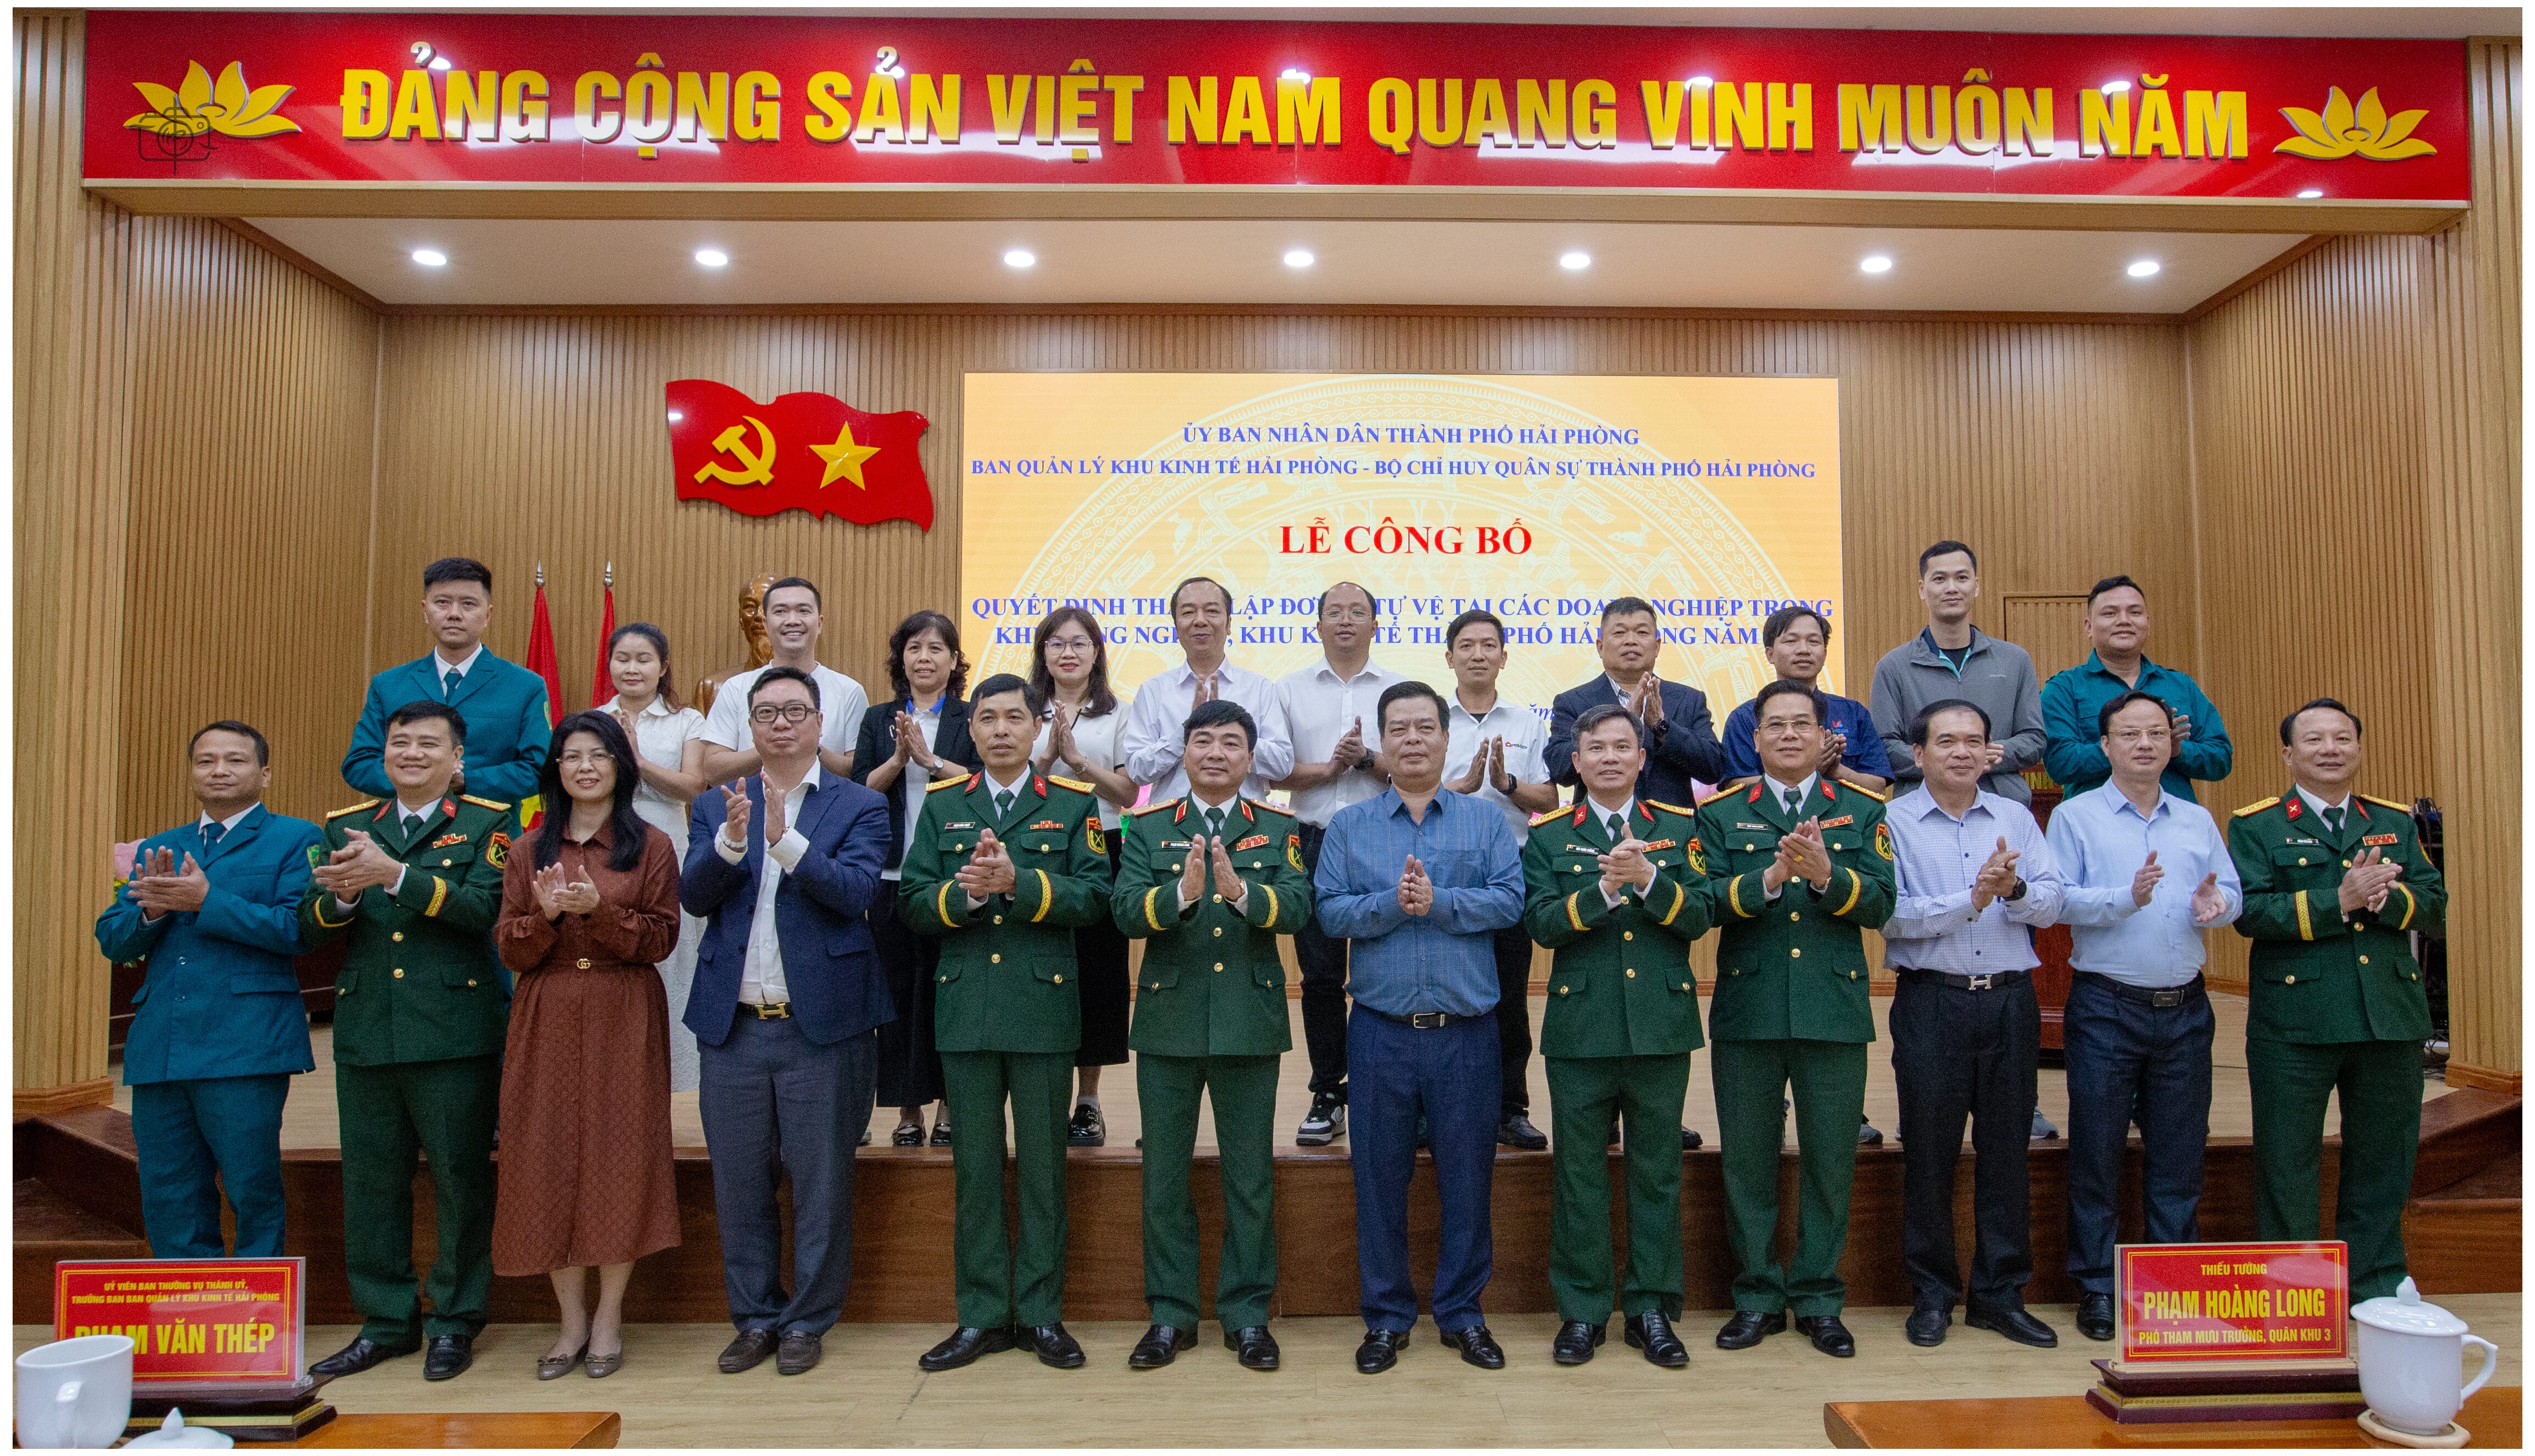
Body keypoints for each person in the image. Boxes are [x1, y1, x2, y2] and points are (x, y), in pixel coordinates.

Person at [680, 667, 894, 1377]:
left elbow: (857, 892)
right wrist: (733, 842)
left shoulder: (860, 803)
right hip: (735, 1026)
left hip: (821, 1027)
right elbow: (694, 895)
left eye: (795, 711)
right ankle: (754, 1317)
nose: (780, 723)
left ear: (820, 723)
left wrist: (787, 843)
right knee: (739, 1184)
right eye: (766, 712)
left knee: (821, 1183)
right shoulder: (716, 804)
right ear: (749, 724)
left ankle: (807, 1318)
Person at [899, 674, 1113, 1372]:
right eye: (987, 718)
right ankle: (983, 1315)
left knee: (1045, 1171)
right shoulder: (943, 803)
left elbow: (1095, 896)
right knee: (976, 1171)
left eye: (1014, 718)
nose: (999, 729)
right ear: (971, 730)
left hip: (1042, 1008)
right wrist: (963, 897)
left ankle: (1042, 1313)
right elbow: (912, 901)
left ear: (1037, 727)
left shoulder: (1071, 803)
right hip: (966, 1007)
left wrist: (1020, 883)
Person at [1315, 681, 1526, 1375]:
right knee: (1378, 1180)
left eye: (1425, 727)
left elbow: (1509, 901)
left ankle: (1463, 1313)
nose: (1412, 738)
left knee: (1468, 1179)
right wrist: (1391, 903)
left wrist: (1438, 902)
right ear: (1382, 742)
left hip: (1465, 1033)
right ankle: (1386, 1316)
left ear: (1446, 737)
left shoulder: (1486, 822)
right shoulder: (1349, 826)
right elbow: (1331, 913)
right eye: (1399, 728)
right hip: (1380, 1032)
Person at [300, 701, 514, 1383]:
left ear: (458, 759)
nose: (412, 753)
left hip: (454, 1032)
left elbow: (483, 909)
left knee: (460, 1180)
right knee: (370, 1183)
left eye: (428, 743)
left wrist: (392, 875)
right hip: (368, 1030)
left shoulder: (489, 822)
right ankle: (386, 1321)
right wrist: (342, 899)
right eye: (400, 742)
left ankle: (455, 1319)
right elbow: (311, 924)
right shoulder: (346, 825)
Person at [1112, 699, 1313, 1373]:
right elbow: (1125, 910)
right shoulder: (1149, 825)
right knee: (1164, 1178)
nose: (1216, 752)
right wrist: (1182, 895)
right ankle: (1170, 1315)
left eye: (1231, 742)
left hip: (1249, 1021)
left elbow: (1297, 906)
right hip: (1167, 1022)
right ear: (1184, 752)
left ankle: (1247, 1313)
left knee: (1249, 1178)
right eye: (1203, 740)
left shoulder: (1277, 824)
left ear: (1251, 757)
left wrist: (1240, 893)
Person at [1696, 679, 1894, 1360]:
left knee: (1830, 1161)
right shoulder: (1723, 812)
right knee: (1747, 1161)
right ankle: (1756, 1294)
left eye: (1800, 724)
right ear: (1755, 739)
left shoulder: (1862, 809)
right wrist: (1772, 879)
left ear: (1824, 736)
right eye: (1774, 725)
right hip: (1748, 1007)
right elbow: (1705, 902)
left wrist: (1826, 876)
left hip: (1832, 1007)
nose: (1788, 734)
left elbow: (1882, 903)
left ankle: (1818, 1297)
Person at [2227, 698, 2444, 1303]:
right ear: (2288, 753)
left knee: (2383, 1158)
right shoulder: (2257, 824)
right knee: (2287, 1161)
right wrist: (2339, 900)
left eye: (2343, 738)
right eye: (2315, 739)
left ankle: (2375, 1284)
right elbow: (2250, 912)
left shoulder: (2394, 821)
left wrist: (2386, 899)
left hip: (2388, 1017)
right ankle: (2296, 1292)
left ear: (2359, 748)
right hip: (2295, 1022)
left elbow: (2434, 905)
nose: (2330, 749)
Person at [492, 712, 683, 1380]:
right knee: (544, 1158)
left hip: (622, 1008)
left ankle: (608, 1316)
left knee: (619, 1158)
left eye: (599, 754)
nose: (585, 767)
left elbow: (661, 938)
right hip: (545, 1009)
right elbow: (509, 946)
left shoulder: (651, 844)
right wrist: (547, 914)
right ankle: (570, 1321)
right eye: (572, 755)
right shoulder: (527, 849)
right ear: (556, 769)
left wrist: (597, 909)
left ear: (620, 766)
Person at [2047, 689, 2242, 1342]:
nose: (2145, 744)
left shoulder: (2196, 818)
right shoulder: (2075, 816)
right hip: (2107, 1006)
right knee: (2097, 1152)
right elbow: (2057, 900)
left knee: (2180, 1154)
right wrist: (2124, 897)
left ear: (2172, 743)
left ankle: (2171, 1283)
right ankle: (2098, 1286)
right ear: (2105, 745)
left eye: (2157, 732)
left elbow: (2230, 888)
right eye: (2130, 733)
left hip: (2185, 1007)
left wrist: (2221, 904)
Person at [1521, 704, 1711, 1369]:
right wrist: (1603, 890)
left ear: (1642, 758)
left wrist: (1650, 880)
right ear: (1575, 762)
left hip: (1660, 1024)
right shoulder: (1550, 835)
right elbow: (1542, 923)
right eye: (1595, 748)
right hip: (1581, 1027)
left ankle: (1652, 1308)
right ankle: (1582, 1310)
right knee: (1579, 1174)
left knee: (1656, 1172)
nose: (1609, 757)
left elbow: (1700, 915)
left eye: (1621, 746)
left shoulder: (1680, 826)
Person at [94, 721, 323, 1260]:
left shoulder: (298, 838)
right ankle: (187, 1304)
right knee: (171, 1193)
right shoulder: (161, 845)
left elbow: (300, 931)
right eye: (206, 760)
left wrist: (206, 900)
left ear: (264, 773)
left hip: (247, 1042)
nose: (219, 770)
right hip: (163, 1043)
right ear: (192, 771)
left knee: (252, 1186)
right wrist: (152, 910)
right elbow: (113, 939)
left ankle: (257, 1307)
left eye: (235, 760)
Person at [1880, 700, 2067, 1351]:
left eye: (1975, 741)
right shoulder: (1894, 821)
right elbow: (1892, 915)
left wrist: (2014, 892)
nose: (1962, 751)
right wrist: (1973, 898)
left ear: (1991, 753)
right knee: (1929, 1152)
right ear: (1918, 754)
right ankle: (1932, 1293)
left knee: (2007, 1151)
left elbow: (2052, 901)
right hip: (1932, 1001)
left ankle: (1999, 1293)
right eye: (1947, 741)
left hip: (2010, 1001)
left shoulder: (2015, 816)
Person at [1272, 582, 1405, 1147]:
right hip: (1312, 839)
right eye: (1334, 612)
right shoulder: (1289, 689)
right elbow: (1270, 769)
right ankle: (1327, 1092)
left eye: (1358, 612)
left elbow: (1421, 766)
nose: (1346, 620)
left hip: (1386, 838)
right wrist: (1329, 769)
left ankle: (1386, 1091)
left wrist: (1369, 759)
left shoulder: (1400, 689)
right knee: (1321, 975)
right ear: (1318, 625)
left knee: (1387, 969)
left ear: (1376, 624)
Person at [853, 610, 982, 1148]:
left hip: (953, 879)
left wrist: (930, 761)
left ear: (953, 660)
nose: (924, 658)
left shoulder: (971, 716)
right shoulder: (878, 717)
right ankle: (908, 1110)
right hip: (890, 876)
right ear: (900, 658)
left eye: (936, 648)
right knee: (897, 994)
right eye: (914, 648)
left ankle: (951, 1104)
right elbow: (861, 788)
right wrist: (898, 760)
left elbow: (985, 783)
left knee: (950, 993)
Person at [1438, 609, 1563, 1152]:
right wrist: (1460, 788)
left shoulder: (1527, 723)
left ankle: (1512, 1109)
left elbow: (1550, 799)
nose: (1478, 654)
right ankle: (1440, 1109)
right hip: (1441, 869)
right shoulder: (1431, 718)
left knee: (1510, 995)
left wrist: (1507, 783)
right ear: (1450, 657)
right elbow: (1403, 788)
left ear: (1504, 656)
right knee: (1443, 993)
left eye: (1489, 645)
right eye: (1467, 645)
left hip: (1510, 868)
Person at [1028, 607, 1141, 1147]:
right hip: (1034, 847)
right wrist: (1046, 758)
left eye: (1079, 643)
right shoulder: (1022, 708)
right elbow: (1010, 785)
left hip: (1102, 843)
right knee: (1038, 966)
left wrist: (1075, 762)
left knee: (1097, 971)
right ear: (1042, 653)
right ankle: (1040, 1094)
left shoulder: (1119, 713)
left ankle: (1088, 1101)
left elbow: (1127, 793)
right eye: (1056, 643)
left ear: (1096, 651)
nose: (1068, 652)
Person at [342, 557, 551, 806]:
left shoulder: (525, 686)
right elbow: (359, 763)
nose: (454, 614)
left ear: (488, 614)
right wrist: (418, 782)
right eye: (442, 603)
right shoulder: (388, 685)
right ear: (425, 611)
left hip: (490, 826)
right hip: (407, 826)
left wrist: (466, 781)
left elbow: (539, 769)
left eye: (468, 604)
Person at [602, 623, 711, 1094]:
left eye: (643, 659)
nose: (632, 668)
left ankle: (675, 1081)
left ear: (663, 666)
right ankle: (615, 1075)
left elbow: (694, 787)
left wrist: (637, 760)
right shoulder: (595, 719)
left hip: (667, 850)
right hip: (605, 850)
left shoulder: (687, 720)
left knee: (673, 961)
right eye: (622, 658)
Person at [1867, 542, 2044, 805]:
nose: (1951, 588)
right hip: (1921, 810)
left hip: (2003, 804)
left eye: (1962, 578)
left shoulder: (2015, 660)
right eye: (1939, 579)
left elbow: (2035, 738)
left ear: (1976, 586)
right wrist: (1943, 760)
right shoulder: (1893, 667)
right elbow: (1884, 748)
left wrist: (1992, 755)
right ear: (1922, 589)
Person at [2041, 575, 2234, 803]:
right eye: (2110, 613)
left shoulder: (2181, 685)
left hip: (2173, 817)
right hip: (2095, 820)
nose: (2124, 621)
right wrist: (2124, 746)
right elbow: (2060, 763)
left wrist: (2178, 751)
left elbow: (2221, 758)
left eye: (2135, 612)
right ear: (2089, 627)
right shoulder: (2063, 689)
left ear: (2148, 623)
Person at [1120, 574, 1297, 806]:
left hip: (1245, 822)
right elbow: (1137, 770)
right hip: (1171, 822)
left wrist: (1235, 732)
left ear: (1229, 624)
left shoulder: (1259, 687)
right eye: (1188, 613)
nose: (1200, 621)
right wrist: (1187, 730)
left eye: (1212, 611)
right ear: (1176, 627)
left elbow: (1282, 765)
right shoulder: (1153, 691)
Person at [1545, 597, 1726, 808]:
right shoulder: (1572, 702)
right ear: (1601, 647)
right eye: (1619, 633)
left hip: (1673, 825)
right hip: (1599, 826)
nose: (1631, 641)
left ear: (1657, 647)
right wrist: (1622, 721)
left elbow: (1714, 767)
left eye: (1642, 632)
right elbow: (1560, 769)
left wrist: (1662, 727)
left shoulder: (1688, 699)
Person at [697, 576, 871, 786]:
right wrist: (772, 745)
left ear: (819, 624)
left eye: (803, 611)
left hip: (826, 805)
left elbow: (859, 772)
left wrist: (810, 746)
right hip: (753, 803)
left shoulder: (849, 691)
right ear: (766, 624)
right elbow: (713, 771)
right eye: (780, 611)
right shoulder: (735, 687)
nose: (792, 620)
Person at [1720, 606, 1892, 795]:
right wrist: (1808, 771)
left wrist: (1837, 771)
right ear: (1770, 654)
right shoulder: (1745, 718)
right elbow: (1735, 789)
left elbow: (1878, 788)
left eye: (1813, 642)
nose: (1804, 650)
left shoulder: (1853, 713)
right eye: (1791, 641)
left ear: (1824, 654)